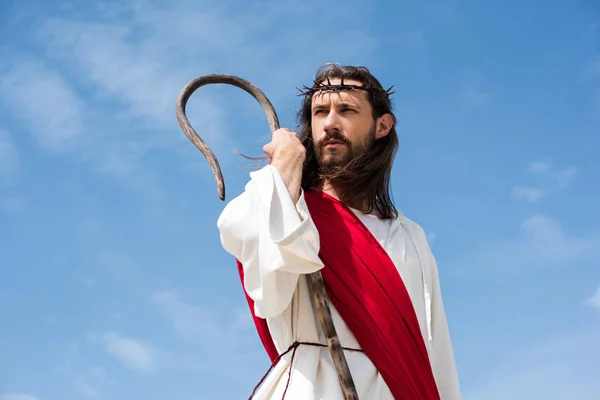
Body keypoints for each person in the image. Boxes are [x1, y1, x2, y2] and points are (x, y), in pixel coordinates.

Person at [217, 63, 461, 399]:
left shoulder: (409, 237)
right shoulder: (287, 206)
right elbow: (266, 282)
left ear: (382, 125)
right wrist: (285, 166)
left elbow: (436, 352)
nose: (330, 123)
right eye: (320, 112)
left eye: (346, 110)